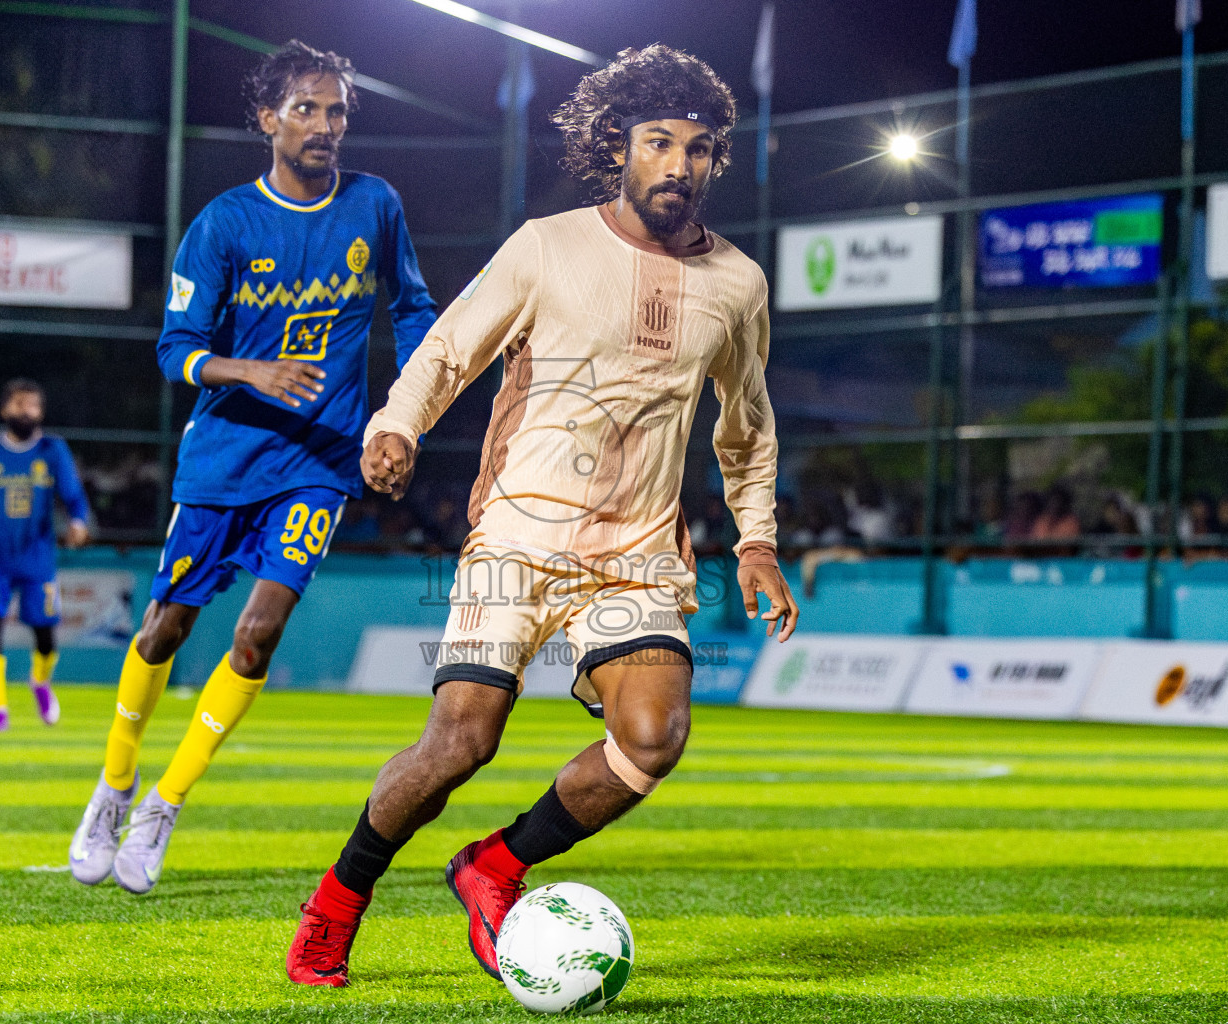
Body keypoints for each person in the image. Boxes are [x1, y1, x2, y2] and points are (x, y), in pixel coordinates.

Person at [285, 44, 799, 988]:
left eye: (699, 148)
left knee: (653, 739)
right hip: (519, 535)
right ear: (618, 145)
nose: (679, 165)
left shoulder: (738, 284)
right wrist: (396, 423)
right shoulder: (546, 245)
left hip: (636, 553)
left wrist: (757, 540)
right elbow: (449, 349)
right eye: (659, 142)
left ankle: (495, 866)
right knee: (460, 743)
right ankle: (337, 902)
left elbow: (748, 425)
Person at [67, 40, 435, 894]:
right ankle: (113, 788)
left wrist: (403, 415)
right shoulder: (225, 223)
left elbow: (413, 307)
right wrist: (249, 370)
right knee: (165, 628)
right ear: (267, 120)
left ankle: (165, 803)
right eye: (306, 109)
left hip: (319, 462)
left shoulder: (375, 205)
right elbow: (175, 351)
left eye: (338, 110)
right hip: (225, 457)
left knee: (259, 632)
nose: (325, 126)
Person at [0, 379, 90, 731]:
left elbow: (73, 494)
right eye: (18, 404)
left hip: (38, 560)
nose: (25, 411)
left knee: (45, 638)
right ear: (4, 410)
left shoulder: (52, 450)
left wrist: (78, 521)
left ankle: (40, 682)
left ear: (41, 412)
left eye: (32, 405)